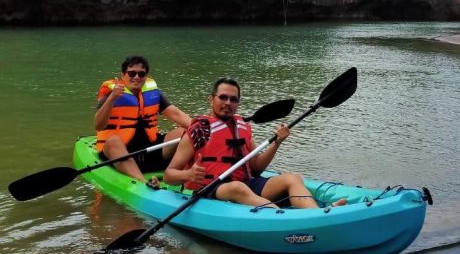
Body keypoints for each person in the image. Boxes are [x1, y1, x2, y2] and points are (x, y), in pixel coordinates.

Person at [163, 77, 346, 208]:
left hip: (246, 183)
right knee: (237, 188)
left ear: (238, 103)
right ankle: (281, 215)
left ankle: (317, 214)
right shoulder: (198, 130)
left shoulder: (241, 127)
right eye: (223, 97)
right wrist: (188, 175)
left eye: (233, 99)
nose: (228, 103)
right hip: (211, 189)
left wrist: (277, 143)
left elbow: (256, 168)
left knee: (293, 178)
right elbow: (169, 175)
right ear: (211, 99)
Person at [95, 55, 191, 185]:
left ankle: (178, 174)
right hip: (120, 153)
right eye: (132, 73)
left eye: (141, 74)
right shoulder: (111, 94)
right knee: (113, 141)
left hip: (150, 150)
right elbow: (99, 125)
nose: (136, 77)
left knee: (184, 132)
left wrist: (203, 126)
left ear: (146, 76)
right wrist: (112, 98)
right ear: (123, 75)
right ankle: (143, 183)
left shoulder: (152, 94)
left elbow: (176, 114)